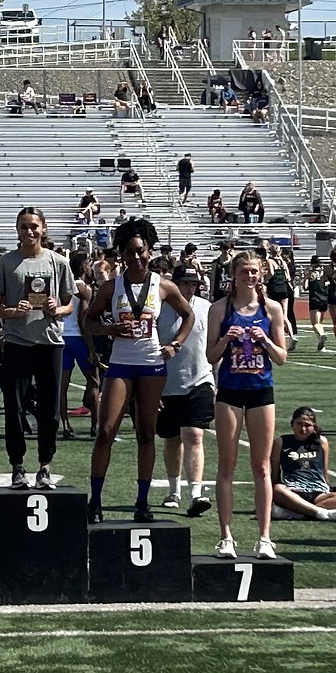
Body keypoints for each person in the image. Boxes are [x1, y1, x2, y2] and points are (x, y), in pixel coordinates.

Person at [85, 219, 194, 522]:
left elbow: (189, 315)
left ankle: (142, 503)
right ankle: (95, 501)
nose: (136, 257)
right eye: (129, 252)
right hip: (121, 364)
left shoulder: (163, 285)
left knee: (146, 433)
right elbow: (89, 322)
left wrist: (175, 345)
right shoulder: (111, 286)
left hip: (151, 365)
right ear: (121, 254)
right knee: (106, 431)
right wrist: (109, 328)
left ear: (149, 250)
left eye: (141, 251)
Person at [205, 250, 289, 560]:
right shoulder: (219, 309)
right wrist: (226, 339)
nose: (250, 276)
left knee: (262, 466)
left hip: (260, 391)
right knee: (226, 465)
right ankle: (226, 536)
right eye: (244, 272)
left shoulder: (272, 309)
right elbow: (210, 356)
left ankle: (264, 537)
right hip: (229, 390)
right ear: (234, 275)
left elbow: (281, 357)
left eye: (254, 271)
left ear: (262, 273)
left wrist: (265, 341)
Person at [0, 207, 76, 490]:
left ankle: (45, 466)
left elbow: (69, 304)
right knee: (14, 408)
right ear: (17, 229)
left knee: (49, 409)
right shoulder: (6, 263)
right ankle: (17, 465)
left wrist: (57, 309)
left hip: (50, 343)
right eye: (24, 227)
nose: (29, 232)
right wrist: (12, 312)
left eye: (34, 226)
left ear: (44, 228)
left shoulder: (58, 262)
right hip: (17, 343)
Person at [156, 265, 214, 517]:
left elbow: (213, 345)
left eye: (194, 283)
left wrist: (217, 381)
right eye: (186, 283)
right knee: (171, 439)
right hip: (166, 382)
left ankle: (196, 493)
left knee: (194, 435)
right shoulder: (160, 308)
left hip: (199, 380)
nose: (191, 288)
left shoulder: (206, 308)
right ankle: (173, 490)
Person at [270, 406, 336, 521]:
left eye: (307, 425)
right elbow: (274, 472)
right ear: (292, 424)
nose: (303, 429)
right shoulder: (281, 442)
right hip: (293, 491)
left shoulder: (321, 442)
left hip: (318, 493)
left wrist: (328, 489)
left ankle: (298, 512)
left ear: (314, 427)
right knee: (277, 489)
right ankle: (322, 513)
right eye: (299, 424)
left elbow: (324, 470)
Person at [60, 251, 100, 441]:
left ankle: (65, 425)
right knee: (94, 381)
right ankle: (95, 424)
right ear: (84, 267)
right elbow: (83, 319)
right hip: (78, 338)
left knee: (62, 385)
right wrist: (91, 347)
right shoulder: (85, 289)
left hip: (61, 337)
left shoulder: (63, 286)